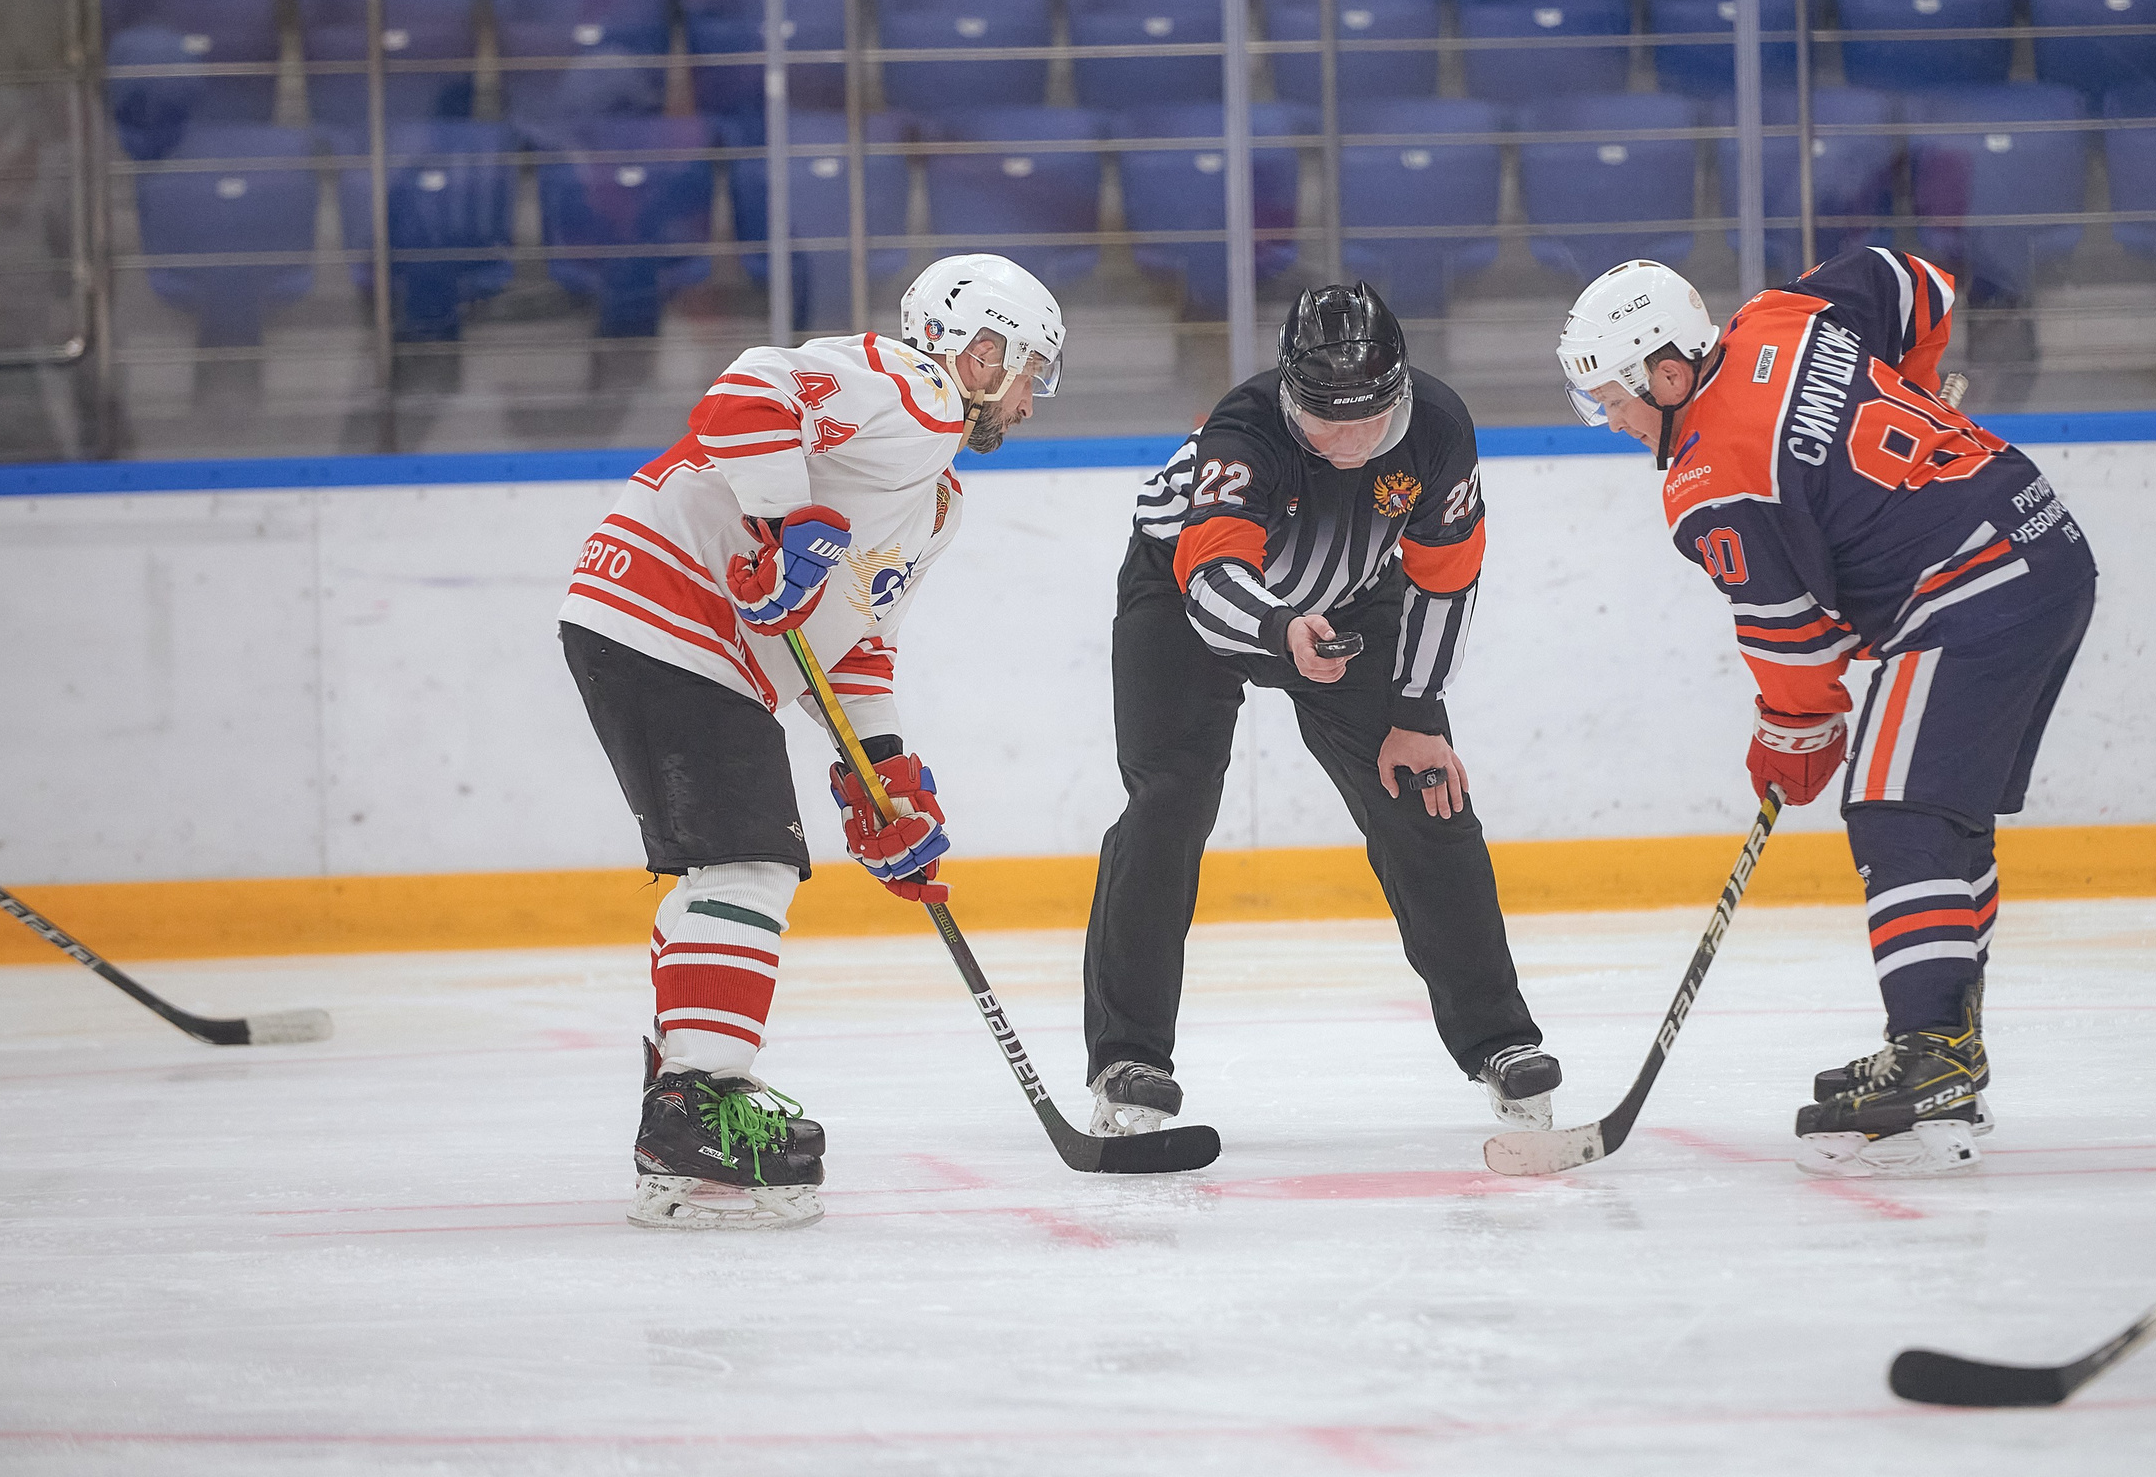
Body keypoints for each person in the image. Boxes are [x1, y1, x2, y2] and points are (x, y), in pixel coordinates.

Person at [1555, 250, 2096, 1179]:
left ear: (1670, 370)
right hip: (2040, 540)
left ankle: (1931, 1051)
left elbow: (1793, 638)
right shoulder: (1780, 316)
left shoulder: (1709, 478)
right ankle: (1946, 1048)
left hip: (1971, 583)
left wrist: (1792, 737)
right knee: (1943, 816)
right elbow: (1915, 281)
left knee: (1897, 808)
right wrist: (1917, 398)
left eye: (1614, 396)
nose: (1611, 418)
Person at [558, 253, 1066, 1228]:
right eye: (1028, 372)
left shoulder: (936, 500)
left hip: (680, 639)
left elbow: (857, 636)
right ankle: (694, 1106)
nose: (1032, 399)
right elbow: (750, 386)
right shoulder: (907, 389)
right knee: (746, 860)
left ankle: (682, 1086)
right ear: (978, 351)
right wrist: (780, 521)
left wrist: (880, 773)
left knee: (722, 867)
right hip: (670, 618)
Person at [1081, 283, 1560, 1137]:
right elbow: (1209, 577)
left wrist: (1416, 707)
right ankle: (1131, 1056)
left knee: (1426, 792)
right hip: (1194, 599)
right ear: (1290, 396)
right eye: (1324, 422)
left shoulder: (1442, 429)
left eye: (1368, 423)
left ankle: (1500, 1040)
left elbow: (1447, 577)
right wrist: (1278, 629)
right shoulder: (1244, 429)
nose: (1346, 442)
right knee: (1169, 802)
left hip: (1352, 603)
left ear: (1402, 394)